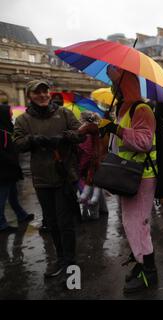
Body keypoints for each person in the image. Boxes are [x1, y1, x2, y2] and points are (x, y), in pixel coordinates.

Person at [14, 79, 83, 277]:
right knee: (51, 222)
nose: (43, 95)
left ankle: (70, 261)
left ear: (50, 93)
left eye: (45, 91)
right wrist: (33, 140)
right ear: (30, 96)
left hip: (64, 176)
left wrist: (64, 137)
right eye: (37, 92)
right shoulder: (23, 120)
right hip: (42, 178)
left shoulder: (64, 113)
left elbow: (80, 134)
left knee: (65, 222)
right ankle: (60, 258)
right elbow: (18, 143)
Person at [99, 66, 158, 293]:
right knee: (131, 223)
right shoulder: (124, 109)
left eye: (117, 84)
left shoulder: (141, 109)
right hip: (128, 173)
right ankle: (141, 262)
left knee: (137, 223)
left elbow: (143, 142)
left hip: (141, 175)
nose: (114, 88)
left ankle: (149, 272)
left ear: (127, 86)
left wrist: (115, 128)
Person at [0, 102, 34, 232]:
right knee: (2, 197)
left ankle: (21, 215)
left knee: (13, 195)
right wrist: (12, 160)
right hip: (4, 171)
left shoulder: (6, 128)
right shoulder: (1, 132)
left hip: (10, 170)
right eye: (9, 112)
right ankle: (2, 224)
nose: (12, 114)